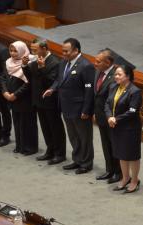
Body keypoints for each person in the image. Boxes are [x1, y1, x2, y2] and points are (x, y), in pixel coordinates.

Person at [45, 38, 95, 174]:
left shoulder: (86, 66)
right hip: (66, 106)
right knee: (73, 135)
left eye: (66, 51)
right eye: (63, 51)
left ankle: (86, 163)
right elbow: (59, 80)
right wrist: (52, 89)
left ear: (76, 50)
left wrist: (86, 110)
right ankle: (77, 159)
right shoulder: (63, 63)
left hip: (80, 109)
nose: (63, 53)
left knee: (84, 137)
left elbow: (89, 90)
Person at [22, 37, 66, 164]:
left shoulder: (55, 62)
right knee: (45, 127)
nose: (32, 52)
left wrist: (42, 68)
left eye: (35, 49)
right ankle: (50, 150)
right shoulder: (36, 60)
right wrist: (25, 66)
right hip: (38, 99)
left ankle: (59, 154)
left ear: (44, 49)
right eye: (31, 49)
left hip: (50, 101)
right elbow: (31, 78)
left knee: (55, 128)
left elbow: (51, 83)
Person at [105, 65, 142, 193]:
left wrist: (116, 119)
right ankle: (125, 177)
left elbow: (132, 111)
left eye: (119, 74)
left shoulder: (134, 91)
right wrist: (110, 116)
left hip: (129, 128)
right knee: (121, 153)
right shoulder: (113, 87)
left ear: (127, 76)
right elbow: (107, 103)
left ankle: (135, 180)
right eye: (115, 74)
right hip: (115, 126)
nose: (116, 77)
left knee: (132, 155)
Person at [1, 41, 38, 155]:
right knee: (17, 123)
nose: (12, 53)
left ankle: (30, 148)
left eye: (15, 51)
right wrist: (5, 92)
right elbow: (3, 78)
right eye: (11, 50)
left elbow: (29, 83)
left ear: (22, 50)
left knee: (27, 124)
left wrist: (15, 94)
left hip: (25, 99)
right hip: (12, 98)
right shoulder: (8, 62)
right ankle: (20, 146)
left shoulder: (30, 63)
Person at [93, 49, 121, 184]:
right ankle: (109, 170)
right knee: (106, 145)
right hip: (100, 117)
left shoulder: (115, 76)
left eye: (98, 61)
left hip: (111, 118)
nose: (95, 63)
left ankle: (118, 172)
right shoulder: (98, 71)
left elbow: (112, 100)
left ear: (108, 62)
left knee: (114, 146)